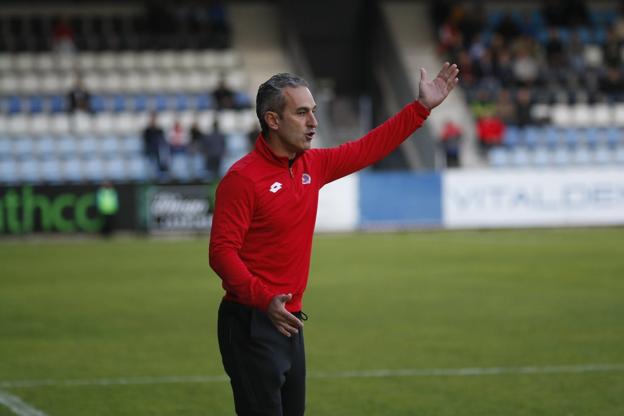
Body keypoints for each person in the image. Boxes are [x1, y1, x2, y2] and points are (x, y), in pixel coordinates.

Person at [209, 62, 458, 415]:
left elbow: (369, 147)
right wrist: (265, 300)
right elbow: (221, 253)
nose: (314, 123)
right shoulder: (243, 179)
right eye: (301, 113)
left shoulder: (313, 165)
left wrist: (420, 109)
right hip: (251, 322)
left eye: (314, 112)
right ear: (272, 120)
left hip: (290, 320)